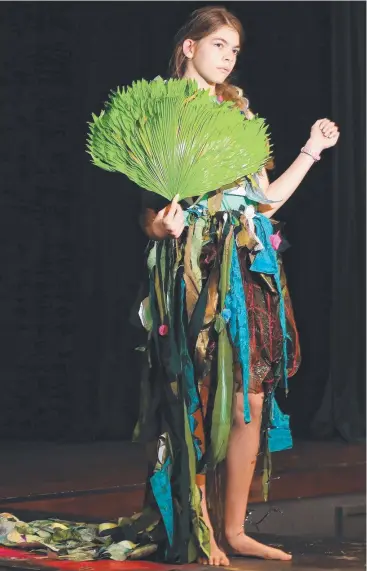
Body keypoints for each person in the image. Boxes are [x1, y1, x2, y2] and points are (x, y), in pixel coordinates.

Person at [134, 4, 340, 567]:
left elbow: (265, 201)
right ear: (189, 48)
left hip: (248, 268)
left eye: (234, 49)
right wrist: (162, 225)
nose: (227, 56)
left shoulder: (243, 116)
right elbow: (150, 213)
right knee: (199, 394)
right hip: (195, 264)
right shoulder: (163, 115)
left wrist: (310, 151)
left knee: (250, 395)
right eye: (218, 44)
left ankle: (236, 528)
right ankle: (199, 523)